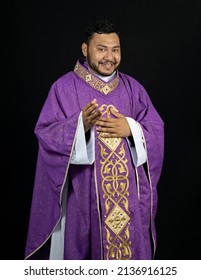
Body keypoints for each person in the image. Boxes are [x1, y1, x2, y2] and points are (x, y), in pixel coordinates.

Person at [25, 19, 164, 260]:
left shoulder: (134, 89)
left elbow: (156, 130)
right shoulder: (63, 88)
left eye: (115, 49)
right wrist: (80, 126)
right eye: (101, 49)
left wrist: (131, 129)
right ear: (84, 49)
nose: (109, 56)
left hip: (129, 202)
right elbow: (46, 134)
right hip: (82, 201)